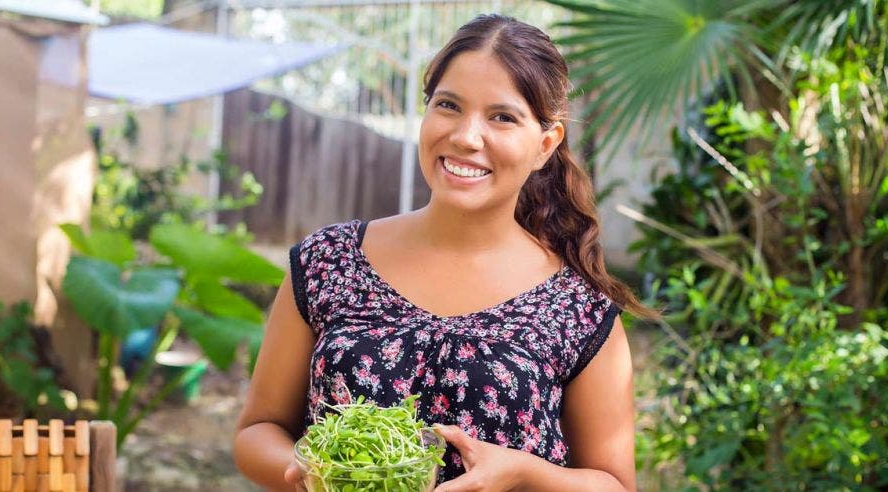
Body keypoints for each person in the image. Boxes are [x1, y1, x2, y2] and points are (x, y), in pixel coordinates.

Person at [234, 13, 656, 492]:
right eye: (449, 105)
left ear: (545, 144)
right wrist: (319, 474)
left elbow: (615, 486)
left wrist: (524, 473)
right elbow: (256, 432)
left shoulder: (577, 308)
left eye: (502, 117)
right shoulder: (326, 262)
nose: (465, 137)